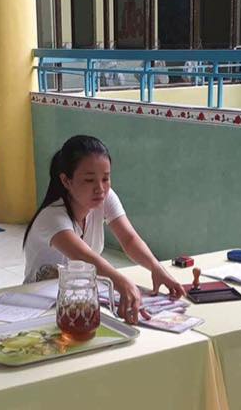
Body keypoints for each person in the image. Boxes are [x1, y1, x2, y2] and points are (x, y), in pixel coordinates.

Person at [23, 135, 184, 324]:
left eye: (106, 178)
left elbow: (129, 239)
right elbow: (84, 256)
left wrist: (156, 268)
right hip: (39, 305)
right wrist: (120, 281)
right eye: (89, 180)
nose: (100, 188)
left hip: (80, 298)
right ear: (66, 181)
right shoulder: (51, 216)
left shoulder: (105, 197)